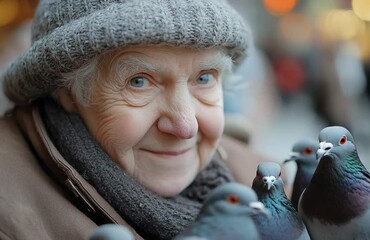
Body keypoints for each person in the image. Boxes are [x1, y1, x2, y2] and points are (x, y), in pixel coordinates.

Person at [0, 0, 277, 239]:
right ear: (67, 94)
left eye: (204, 78)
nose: (185, 126)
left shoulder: (274, 186)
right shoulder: (11, 221)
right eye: (139, 82)